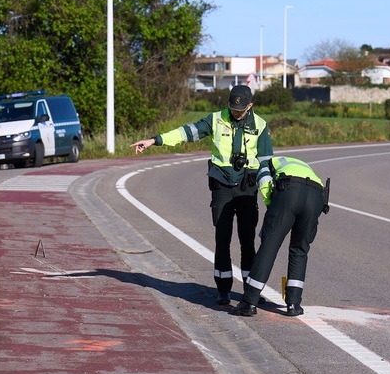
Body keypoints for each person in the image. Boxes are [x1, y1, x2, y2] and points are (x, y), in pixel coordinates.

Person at [130, 85, 274, 306]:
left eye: (240, 110)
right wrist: (155, 140)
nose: (236, 113)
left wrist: (270, 198)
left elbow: (266, 163)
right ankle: (223, 290)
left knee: (247, 241)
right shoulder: (216, 119)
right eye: (233, 108)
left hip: (247, 187)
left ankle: (250, 291)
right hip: (222, 186)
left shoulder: (261, 126)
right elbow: (186, 132)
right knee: (222, 239)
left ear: (250, 106)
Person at [231, 156, 329, 317]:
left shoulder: (266, 163)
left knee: (269, 246)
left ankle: (249, 302)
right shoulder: (301, 164)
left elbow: (264, 184)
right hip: (316, 195)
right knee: (300, 250)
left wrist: (271, 205)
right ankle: (293, 304)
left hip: (289, 191)